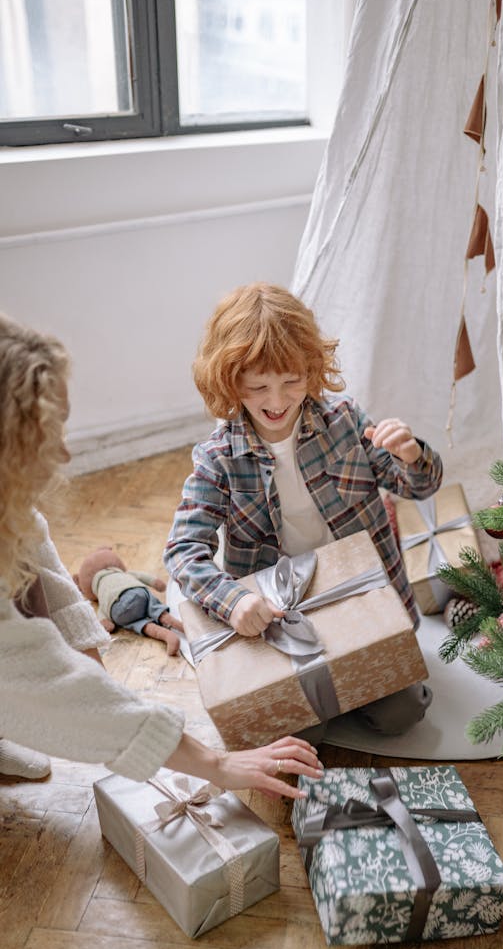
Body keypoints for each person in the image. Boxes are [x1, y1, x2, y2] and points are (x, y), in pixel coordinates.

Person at [0, 313, 322, 797]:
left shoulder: (12, 507)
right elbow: (33, 674)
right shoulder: (219, 457)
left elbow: (48, 584)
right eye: (51, 433)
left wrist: (107, 699)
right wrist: (214, 763)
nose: (66, 455)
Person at [164, 282, 443, 735]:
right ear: (231, 381)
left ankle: (353, 684)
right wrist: (233, 600)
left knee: (402, 716)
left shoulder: (345, 419)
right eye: (258, 387)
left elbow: (420, 486)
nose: (277, 401)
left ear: (311, 370)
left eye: (291, 382)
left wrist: (412, 456)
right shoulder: (218, 458)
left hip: (361, 602)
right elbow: (181, 551)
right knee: (304, 731)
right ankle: (334, 689)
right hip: (278, 621)